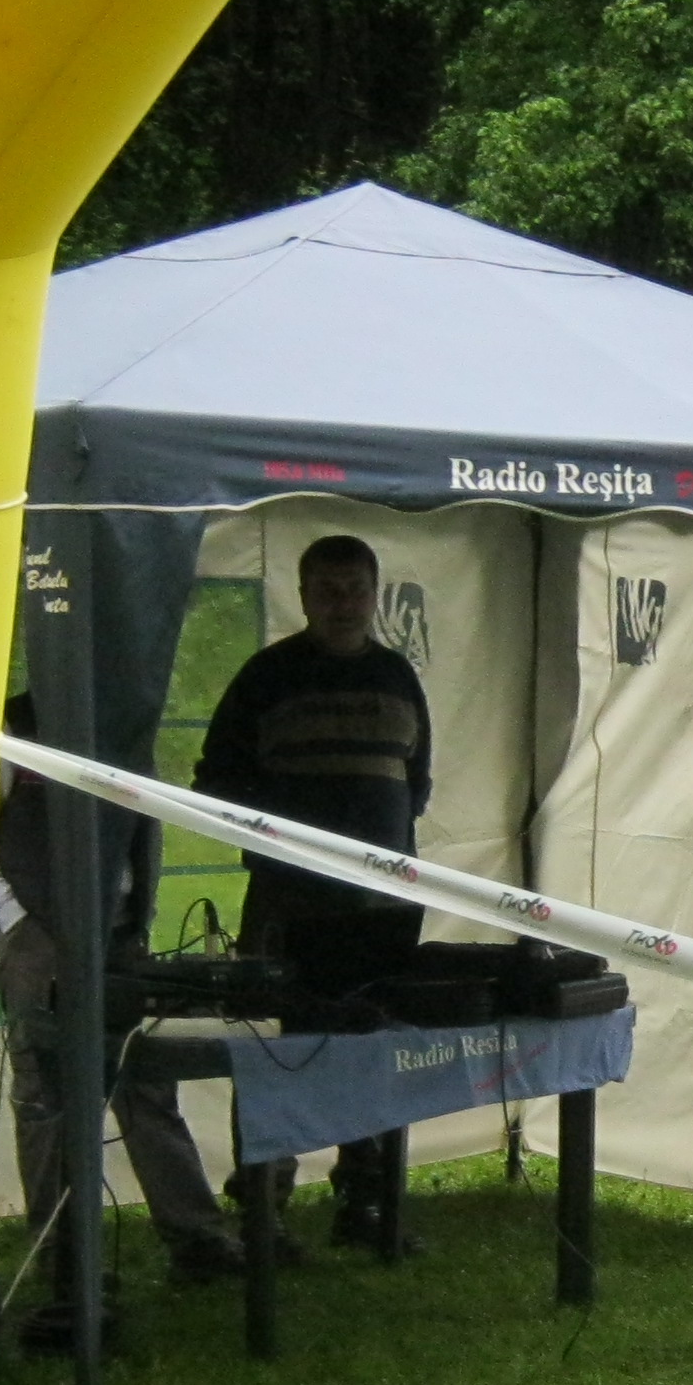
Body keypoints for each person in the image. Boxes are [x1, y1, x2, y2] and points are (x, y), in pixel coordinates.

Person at [193, 533, 435, 1252]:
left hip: (382, 907)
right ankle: (263, 1210)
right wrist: (285, 838)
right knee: (283, 1051)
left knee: (373, 1048)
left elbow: (416, 783)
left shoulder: (397, 676)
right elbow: (216, 782)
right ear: (302, 597)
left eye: (355, 590)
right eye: (327, 591)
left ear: (374, 594)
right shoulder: (267, 677)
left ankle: (366, 1203)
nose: (343, 604)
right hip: (289, 902)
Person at [0, 692, 247, 1302]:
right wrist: (14, 918)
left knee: (146, 1079)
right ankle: (63, 1259)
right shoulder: (11, 724)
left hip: (118, 931)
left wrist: (137, 918)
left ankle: (198, 1239)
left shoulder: (123, 724)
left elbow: (142, 825)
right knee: (46, 1092)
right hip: (38, 937)